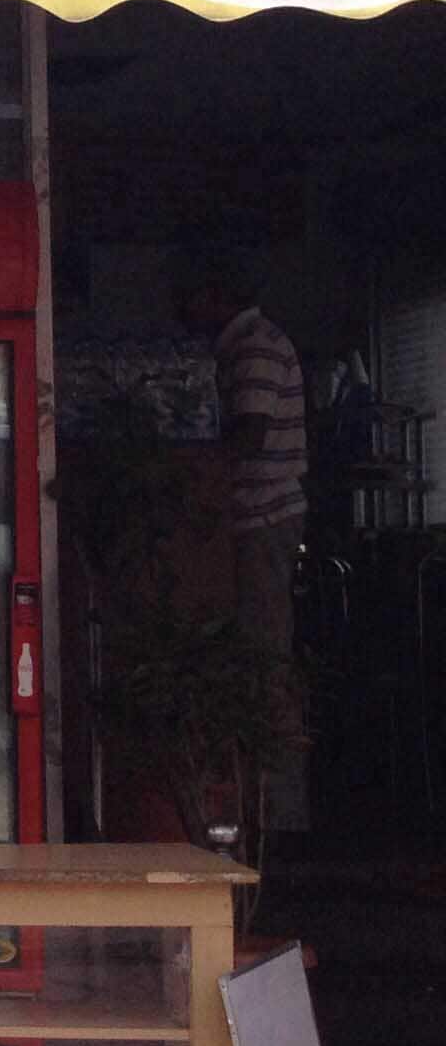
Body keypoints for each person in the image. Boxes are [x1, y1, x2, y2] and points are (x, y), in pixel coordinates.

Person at [185, 268, 308, 822]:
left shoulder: (255, 348)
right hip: (253, 519)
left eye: (192, 292)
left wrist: (190, 473)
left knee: (264, 654)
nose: (185, 305)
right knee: (257, 653)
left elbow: (248, 435)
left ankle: (278, 809)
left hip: (262, 517)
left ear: (219, 291)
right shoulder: (247, 345)